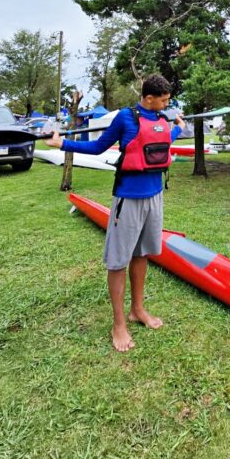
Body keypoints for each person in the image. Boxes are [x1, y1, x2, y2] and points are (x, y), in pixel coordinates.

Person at [47, 74, 186, 351]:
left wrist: (179, 128)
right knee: (118, 261)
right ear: (148, 98)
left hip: (155, 196)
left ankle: (138, 309)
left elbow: (162, 142)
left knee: (143, 253)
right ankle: (119, 323)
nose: (167, 105)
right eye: (163, 100)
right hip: (129, 199)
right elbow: (98, 147)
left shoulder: (160, 119)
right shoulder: (125, 118)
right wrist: (63, 144)